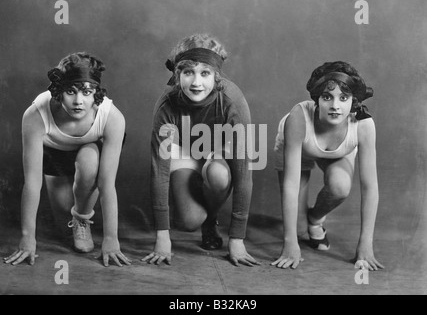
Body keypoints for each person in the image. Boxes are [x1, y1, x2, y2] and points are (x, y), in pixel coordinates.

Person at [142, 33, 260, 267]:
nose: (196, 82)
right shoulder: (167, 104)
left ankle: (212, 219)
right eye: (188, 73)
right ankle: (199, 206)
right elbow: (160, 171)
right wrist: (162, 236)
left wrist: (237, 238)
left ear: (216, 75)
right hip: (185, 150)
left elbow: (244, 171)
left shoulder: (231, 100)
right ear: (178, 75)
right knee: (188, 222)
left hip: (219, 151)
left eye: (204, 73)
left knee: (217, 175)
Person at [3, 52, 130, 267]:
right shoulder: (35, 114)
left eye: (87, 92)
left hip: (91, 155)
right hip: (55, 156)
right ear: (58, 92)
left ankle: (81, 217)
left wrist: (111, 239)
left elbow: (107, 185)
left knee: (89, 157)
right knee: (62, 221)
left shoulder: (112, 117)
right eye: (71, 92)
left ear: (96, 94)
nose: (79, 101)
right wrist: (27, 238)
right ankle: (71, 212)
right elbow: (32, 184)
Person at [271, 61, 384, 271]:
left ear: (354, 101)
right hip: (301, 148)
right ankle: (306, 224)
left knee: (340, 186)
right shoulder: (298, 118)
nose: (335, 105)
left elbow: (370, 187)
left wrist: (366, 244)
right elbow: (290, 186)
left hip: (339, 152)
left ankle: (315, 219)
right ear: (316, 99)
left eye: (343, 98)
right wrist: (290, 243)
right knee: (298, 229)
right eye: (327, 97)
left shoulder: (364, 124)